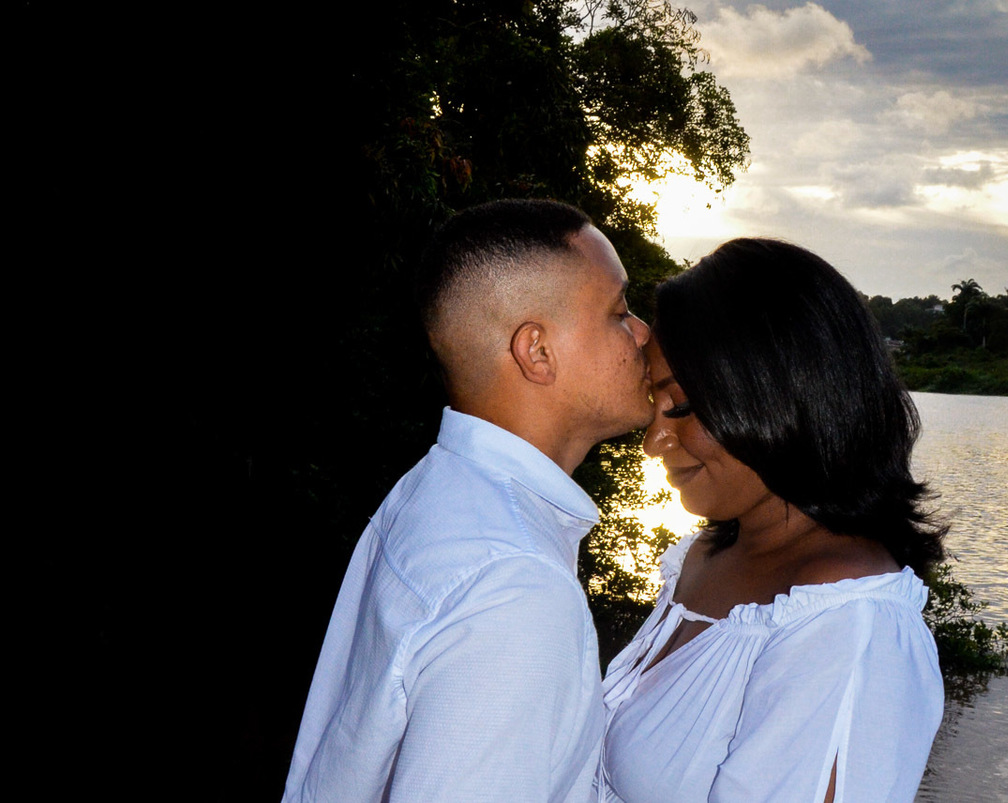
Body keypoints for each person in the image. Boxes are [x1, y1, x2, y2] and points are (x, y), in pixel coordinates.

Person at [283, 199, 654, 802]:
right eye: (619, 311)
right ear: (537, 351)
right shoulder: (514, 589)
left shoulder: (435, 495)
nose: (643, 334)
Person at [599, 239, 946, 802]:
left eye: (680, 405)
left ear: (778, 395)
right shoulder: (702, 559)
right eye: (653, 404)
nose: (654, 441)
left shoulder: (850, 622)